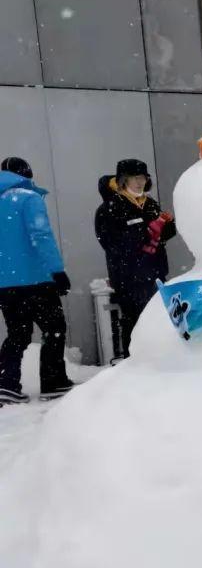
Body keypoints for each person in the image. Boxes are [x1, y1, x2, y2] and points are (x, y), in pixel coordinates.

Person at [0, 157, 75, 403]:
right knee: (54, 329)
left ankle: (6, 385)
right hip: (37, 280)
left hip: (5, 284)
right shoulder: (28, 198)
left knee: (17, 334)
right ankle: (54, 382)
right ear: (27, 175)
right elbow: (40, 235)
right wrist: (57, 271)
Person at [95, 159, 176, 358]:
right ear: (123, 180)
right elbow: (111, 243)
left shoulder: (150, 203)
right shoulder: (109, 208)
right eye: (135, 178)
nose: (140, 183)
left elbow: (164, 234)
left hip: (155, 273)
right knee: (135, 322)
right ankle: (135, 362)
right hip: (128, 277)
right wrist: (145, 233)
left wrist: (167, 226)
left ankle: (160, 359)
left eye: (143, 178)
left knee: (159, 319)